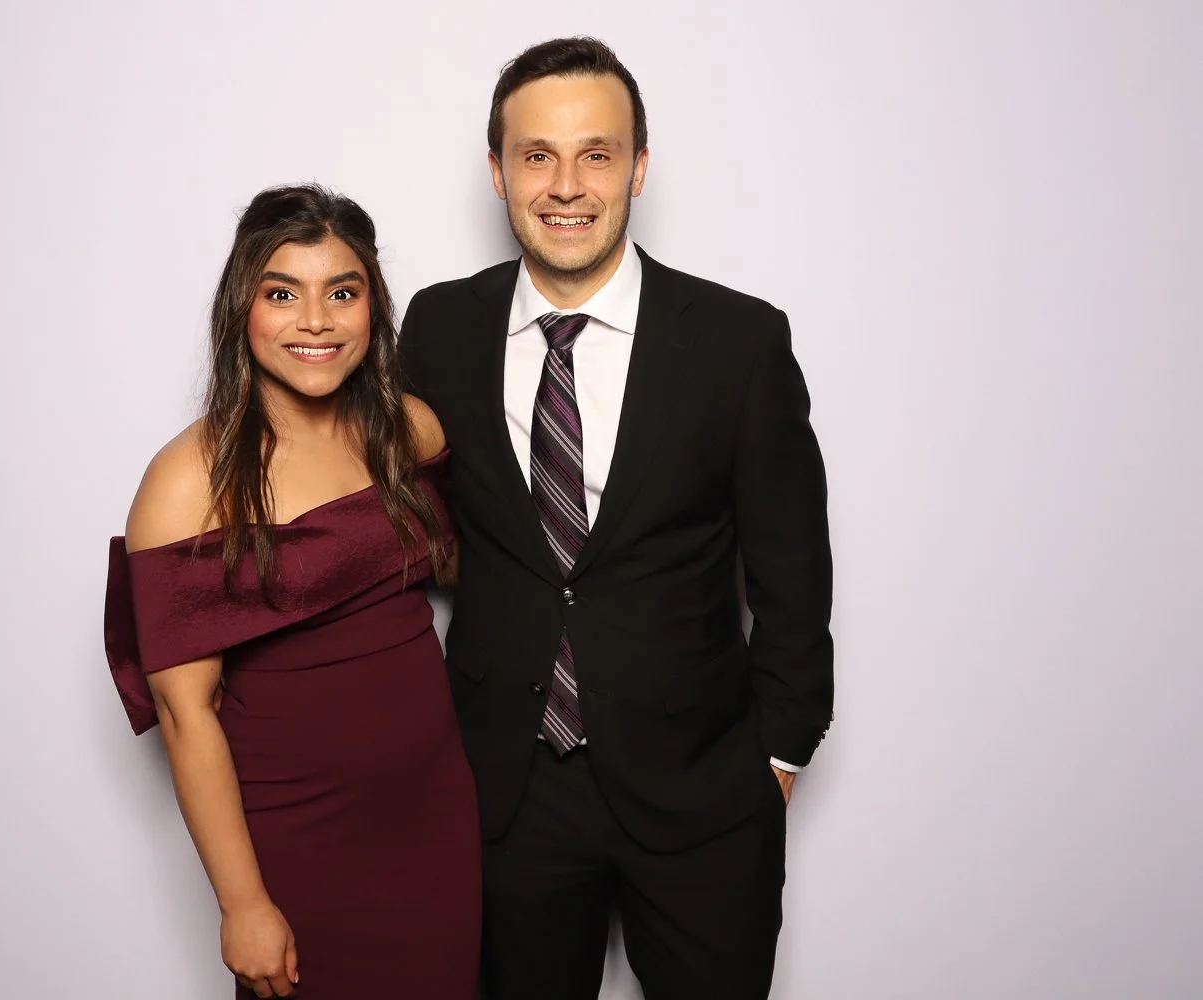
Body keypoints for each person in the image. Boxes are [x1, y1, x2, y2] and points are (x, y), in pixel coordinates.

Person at [397, 38, 834, 999]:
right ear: (497, 170)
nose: (566, 185)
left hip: (705, 793)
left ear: (639, 167)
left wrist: (776, 759)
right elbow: (401, 518)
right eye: (536, 155)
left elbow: (793, 575)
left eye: (596, 154)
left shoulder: (738, 342)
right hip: (507, 791)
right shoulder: (437, 327)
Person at [104, 184, 480, 1000]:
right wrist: (242, 903)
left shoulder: (410, 430)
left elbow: (466, 568)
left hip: (439, 817)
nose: (316, 320)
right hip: (299, 843)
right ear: (243, 307)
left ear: (372, 308)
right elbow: (183, 712)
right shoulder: (187, 480)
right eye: (284, 293)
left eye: (342, 293)